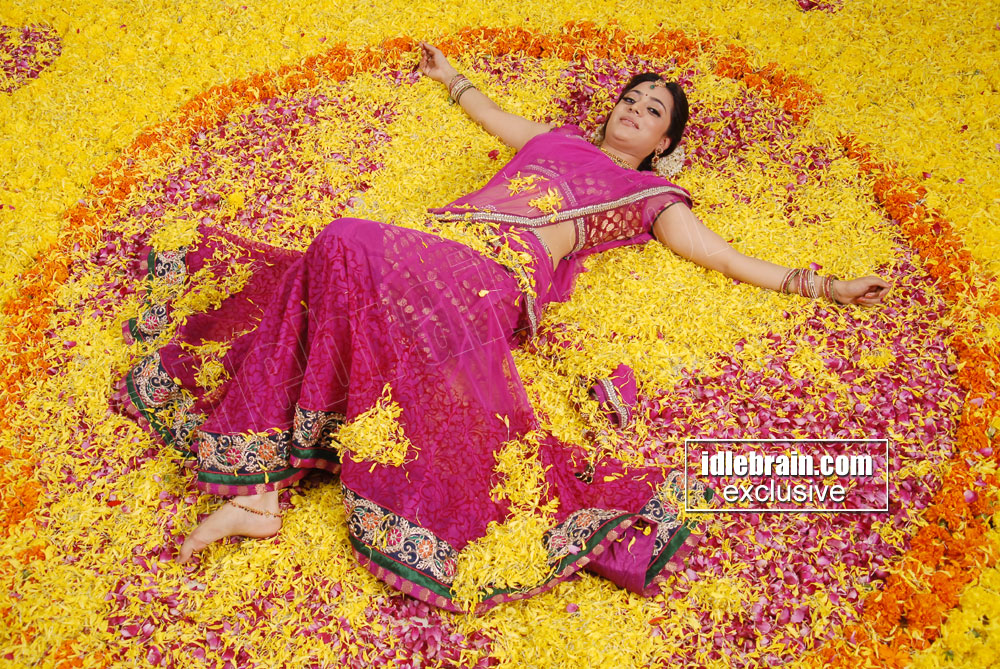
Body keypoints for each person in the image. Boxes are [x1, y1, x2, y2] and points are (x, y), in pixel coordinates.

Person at [113, 42, 890, 612]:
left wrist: (824, 285)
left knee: (341, 241)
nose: (633, 108)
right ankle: (259, 495)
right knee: (329, 273)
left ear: (664, 144)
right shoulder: (556, 141)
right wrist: (450, 77)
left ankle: (262, 481)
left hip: (490, 283)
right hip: (432, 247)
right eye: (632, 96)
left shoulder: (649, 196)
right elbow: (488, 112)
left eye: (653, 110)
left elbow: (721, 257)